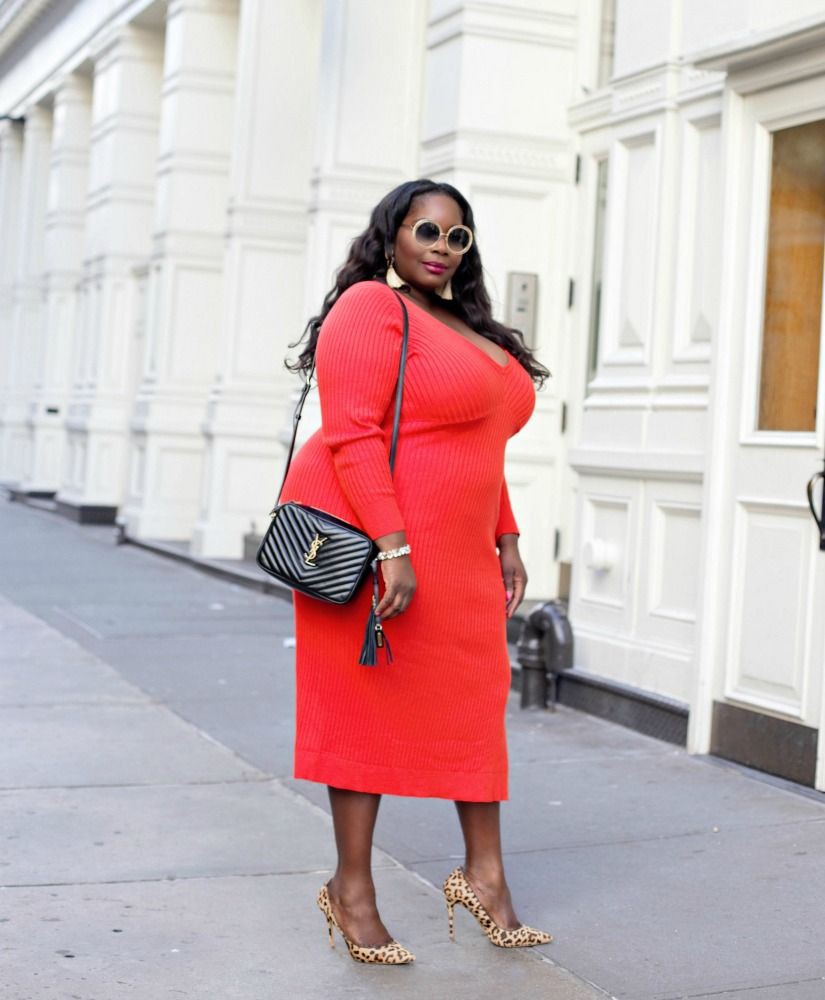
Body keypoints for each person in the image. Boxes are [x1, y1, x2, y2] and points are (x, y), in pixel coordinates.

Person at [281, 178, 551, 965]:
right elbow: (353, 435)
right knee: (365, 708)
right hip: (377, 543)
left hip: (462, 551)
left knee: (476, 702)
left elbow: (480, 445)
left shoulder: (468, 327)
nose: (440, 247)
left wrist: (506, 535)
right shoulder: (370, 307)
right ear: (391, 237)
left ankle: (483, 877)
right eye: (425, 231)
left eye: (455, 236)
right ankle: (352, 889)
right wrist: (392, 546)